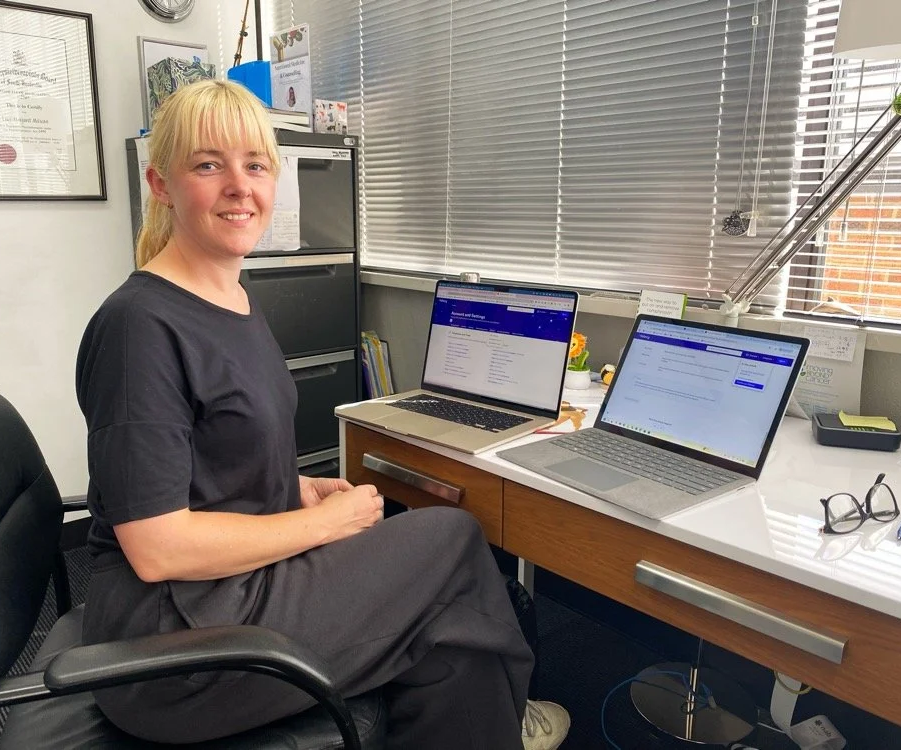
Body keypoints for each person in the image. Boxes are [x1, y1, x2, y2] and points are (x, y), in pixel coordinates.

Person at [75, 78, 569, 749]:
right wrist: (326, 523)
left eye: (254, 165)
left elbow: (212, 463)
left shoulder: (235, 302)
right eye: (207, 164)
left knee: (453, 644)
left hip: (231, 591)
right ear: (161, 185)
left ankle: (496, 712)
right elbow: (158, 547)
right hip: (173, 649)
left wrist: (297, 490)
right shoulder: (140, 326)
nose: (238, 186)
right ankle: (512, 713)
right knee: (451, 541)